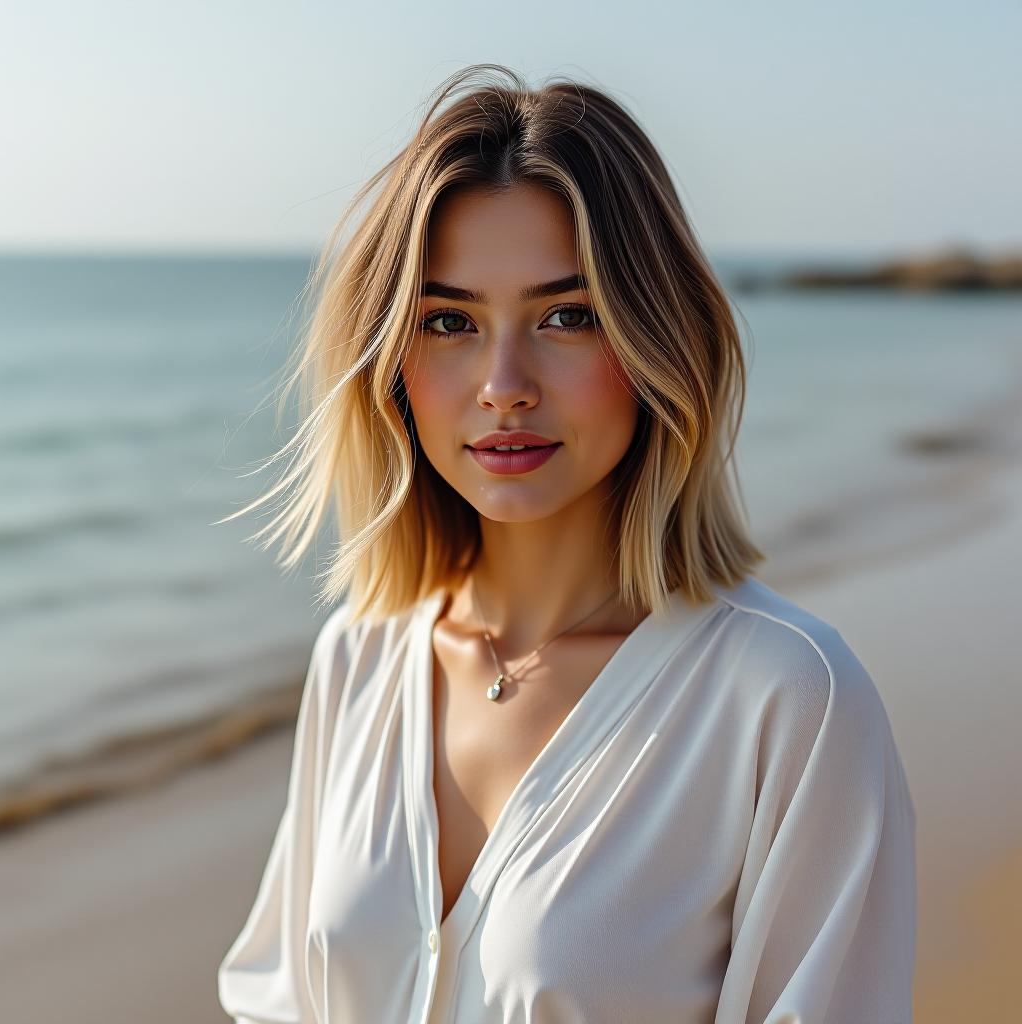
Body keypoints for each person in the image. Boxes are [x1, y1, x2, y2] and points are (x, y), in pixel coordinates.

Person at [215, 64, 916, 1024]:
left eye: (567, 317)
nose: (504, 383)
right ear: (393, 369)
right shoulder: (360, 658)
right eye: (450, 322)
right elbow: (281, 1001)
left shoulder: (788, 697)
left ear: (656, 341)